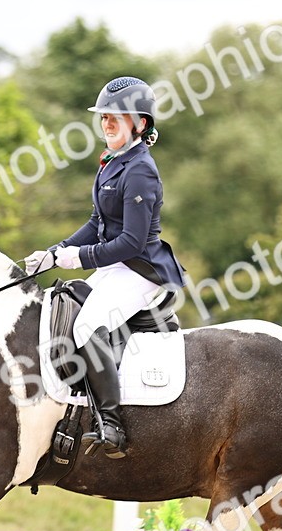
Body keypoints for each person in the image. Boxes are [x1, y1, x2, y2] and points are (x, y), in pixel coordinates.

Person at [24, 76, 186, 459]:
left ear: (140, 124)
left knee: (85, 325)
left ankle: (111, 425)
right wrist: (55, 251)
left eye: (116, 116)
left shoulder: (141, 170)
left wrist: (79, 258)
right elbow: (96, 225)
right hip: (117, 267)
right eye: (104, 117)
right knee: (61, 307)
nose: (107, 123)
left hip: (142, 271)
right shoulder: (112, 164)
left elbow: (131, 241)